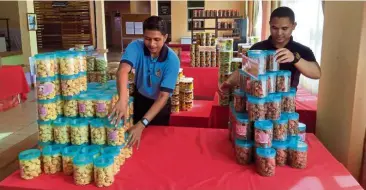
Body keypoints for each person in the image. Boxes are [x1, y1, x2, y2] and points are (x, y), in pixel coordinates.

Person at [109, 16, 180, 148]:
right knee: (134, 139)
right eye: (147, 39)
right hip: (140, 98)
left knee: (157, 143)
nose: (152, 44)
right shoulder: (135, 47)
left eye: (157, 39)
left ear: (165, 37)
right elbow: (123, 70)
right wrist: (123, 100)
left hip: (159, 106)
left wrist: (142, 124)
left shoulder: (172, 60)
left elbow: (164, 95)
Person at [220, 6, 321, 91]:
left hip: (286, 106)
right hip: (258, 103)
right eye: (274, 28)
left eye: (284, 28)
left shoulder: (301, 50)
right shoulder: (258, 48)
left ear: (293, 26)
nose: (279, 33)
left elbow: (317, 73)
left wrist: (294, 58)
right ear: (269, 24)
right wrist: (228, 82)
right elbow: (245, 70)